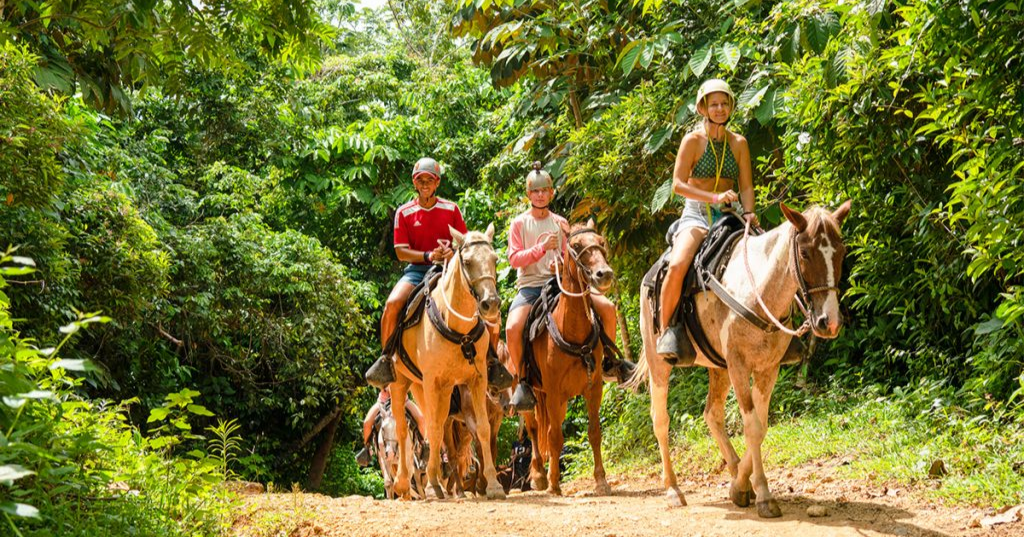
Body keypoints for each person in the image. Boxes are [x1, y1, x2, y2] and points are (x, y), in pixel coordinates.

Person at [506, 162, 632, 410]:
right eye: (535, 191)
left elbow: (572, 258)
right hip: (531, 287)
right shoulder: (519, 224)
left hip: (560, 284)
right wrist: (541, 248)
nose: (540, 194)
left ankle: (610, 361)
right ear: (528, 195)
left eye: (545, 190)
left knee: (606, 307)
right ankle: (522, 381)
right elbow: (513, 259)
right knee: (512, 327)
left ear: (551, 193)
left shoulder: (561, 223)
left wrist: (562, 267)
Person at [656, 79, 757, 360]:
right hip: (697, 214)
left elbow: (746, 186)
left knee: (771, 254)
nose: (720, 108)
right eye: (714, 104)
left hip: (730, 214)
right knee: (677, 265)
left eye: (724, 103)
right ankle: (667, 330)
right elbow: (677, 184)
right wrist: (711, 198)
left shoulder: (738, 143)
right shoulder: (693, 141)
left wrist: (749, 211)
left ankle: (782, 330)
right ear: (703, 107)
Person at [364, 157, 467, 387]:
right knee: (392, 304)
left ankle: (488, 359)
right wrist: (428, 256)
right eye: (420, 180)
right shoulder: (404, 212)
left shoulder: (451, 209)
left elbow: (464, 241)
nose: (424, 184)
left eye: (429, 180)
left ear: (437, 182)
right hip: (418, 271)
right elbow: (400, 251)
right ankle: (386, 358)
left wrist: (451, 254)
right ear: (414, 182)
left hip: (449, 269)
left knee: (479, 299)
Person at [356, 387, 427, 467]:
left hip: (403, 400)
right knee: (367, 423)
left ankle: (422, 445)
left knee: (421, 419)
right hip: (383, 401)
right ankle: (367, 448)